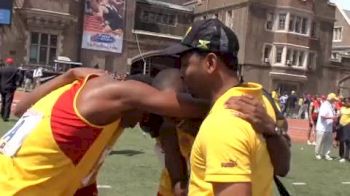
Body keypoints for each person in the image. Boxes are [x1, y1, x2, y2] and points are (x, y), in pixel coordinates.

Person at [0, 66, 213, 195]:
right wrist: (228, 100)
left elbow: (20, 109)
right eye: (144, 116)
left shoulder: (85, 102)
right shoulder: (112, 93)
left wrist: (69, 74)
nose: (137, 125)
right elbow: (175, 103)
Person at [162, 18, 290, 196]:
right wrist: (273, 130)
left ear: (210, 63)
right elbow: (282, 168)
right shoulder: (260, 100)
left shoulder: (223, 123)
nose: (182, 74)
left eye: (185, 65)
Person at [315, 93, 339, 160]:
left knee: (328, 142)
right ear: (331, 99)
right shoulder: (324, 105)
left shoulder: (331, 106)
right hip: (322, 127)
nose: (335, 101)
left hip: (329, 127)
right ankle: (317, 153)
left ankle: (326, 154)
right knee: (320, 141)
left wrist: (335, 116)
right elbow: (322, 116)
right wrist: (332, 117)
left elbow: (332, 114)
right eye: (334, 99)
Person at [338, 97, 350, 163]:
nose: (347, 103)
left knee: (347, 141)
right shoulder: (342, 108)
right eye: (345, 101)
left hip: (348, 126)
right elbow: (339, 116)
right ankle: (341, 155)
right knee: (341, 141)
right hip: (341, 126)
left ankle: (346, 156)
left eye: (348, 101)